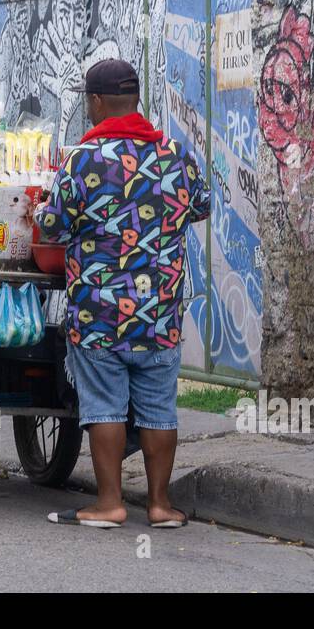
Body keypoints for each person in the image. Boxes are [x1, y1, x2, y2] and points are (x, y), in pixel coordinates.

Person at [35, 59, 211, 527]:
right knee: (158, 407)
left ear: (95, 103)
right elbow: (203, 204)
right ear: (135, 101)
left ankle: (110, 503)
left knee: (104, 404)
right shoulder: (174, 154)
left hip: (100, 314)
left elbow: (51, 226)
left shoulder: (83, 160)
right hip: (159, 314)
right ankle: (159, 505)